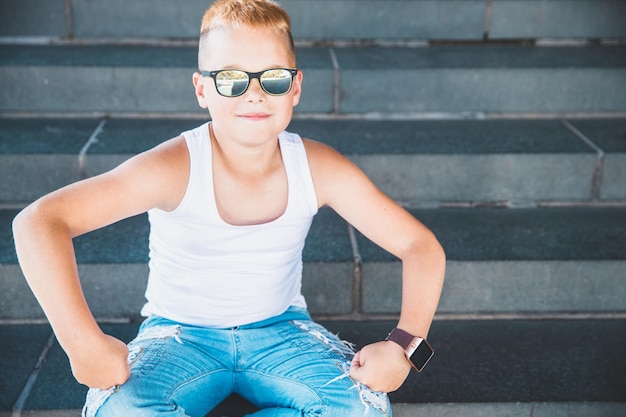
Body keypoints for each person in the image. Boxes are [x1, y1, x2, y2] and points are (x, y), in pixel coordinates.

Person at [12, 0, 446, 416]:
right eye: (232, 79)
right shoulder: (173, 166)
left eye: (272, 78)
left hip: (281, 330)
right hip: (179, 336)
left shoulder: (318, 166)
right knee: (120, 408)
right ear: (202, 89)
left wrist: (405, 346)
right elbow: (38, 222)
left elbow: (419, 245)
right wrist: (81, 343)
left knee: (361, 408)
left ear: (295, 87)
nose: (254, 95)